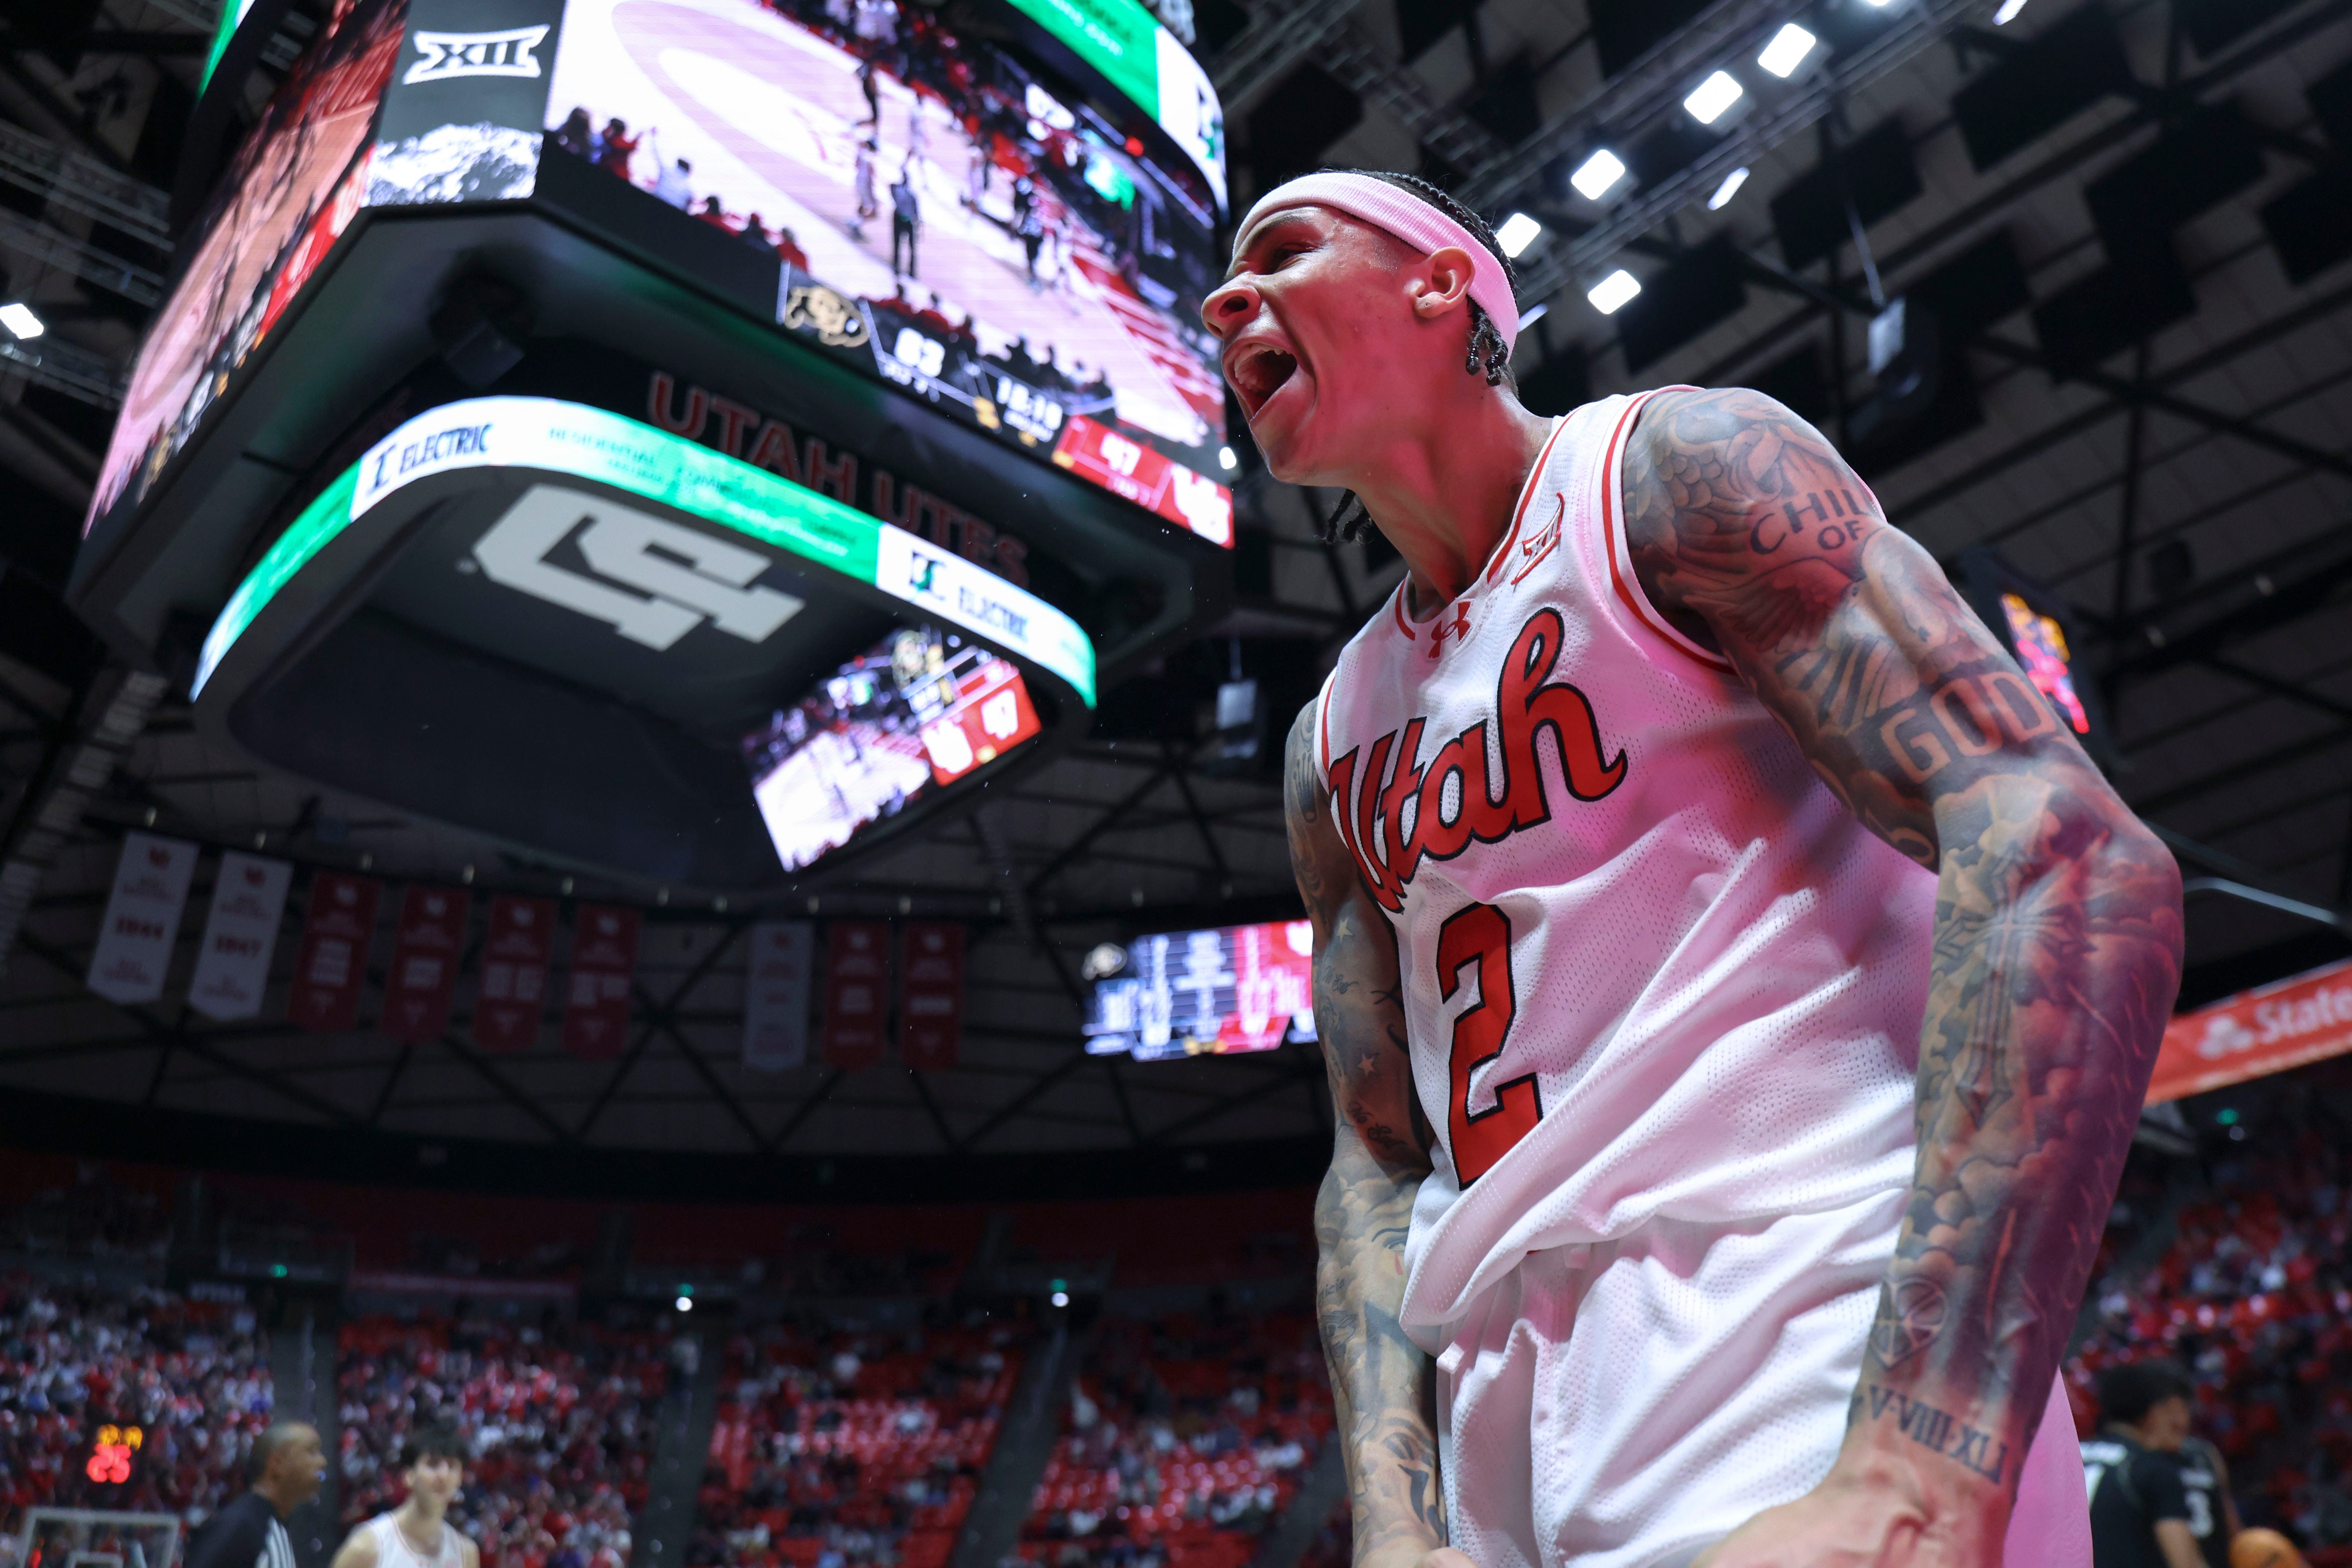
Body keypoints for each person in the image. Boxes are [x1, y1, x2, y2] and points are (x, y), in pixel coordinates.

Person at [1208, 169, 2182, 1568]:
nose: (1224, 298)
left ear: (1443, 285)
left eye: (1284, 250)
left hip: (1788, 1304)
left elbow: (2062, 848)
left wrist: (1920, 1458)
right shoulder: (1330, 737)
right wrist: (1396, 1522)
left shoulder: (1672, 475)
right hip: (1497, 1383)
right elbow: (1374, 1153)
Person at [2082, 1363, 2240, 1568]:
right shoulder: (2147, 1467)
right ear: (2153, 1412)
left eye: (2184, 1409)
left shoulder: (2076, 1454)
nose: (2180, 1419)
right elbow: (2186, 1563)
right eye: (2171, 1410)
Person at [330, 1423, 478, 1568]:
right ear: (409, 1476)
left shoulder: (466, 1553)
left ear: (460, 1479)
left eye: (452, 1466)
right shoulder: (367, 1547)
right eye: (433, 1464)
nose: (443, 1475)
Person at [185, 1423, 323, 1568]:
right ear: (277, 1463)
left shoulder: (274, 1523)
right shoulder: (241, 1527)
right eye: (311, 1452)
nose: (322, 1462)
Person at [890, 165, 920, 277]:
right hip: (901, 218)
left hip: (908, 220)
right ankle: (897, 267)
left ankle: (911, 271)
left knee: (910, 247)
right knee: (898, 245)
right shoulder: (899, 190)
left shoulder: (911, 193)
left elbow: (916, 210)